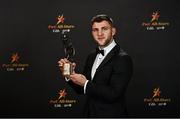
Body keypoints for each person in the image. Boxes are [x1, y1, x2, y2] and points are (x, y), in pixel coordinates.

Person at [58, 14, 133, 118]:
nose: (100, 33)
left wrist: (86, 83)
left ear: (113, 31)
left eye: (104, 29)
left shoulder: (123, 58)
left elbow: (114, 94)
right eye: (95, 30)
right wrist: (69, 75)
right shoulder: (92, 55)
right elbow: (82, 89)